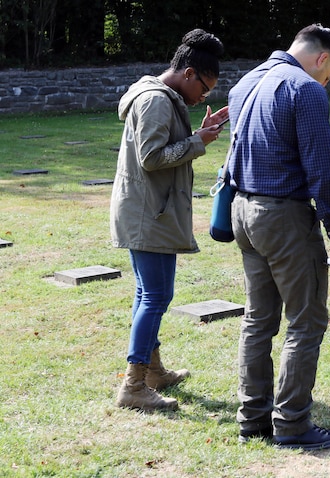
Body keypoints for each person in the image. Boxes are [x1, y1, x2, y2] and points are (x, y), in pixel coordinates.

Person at [226, 24, 330, 449]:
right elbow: (322, 166)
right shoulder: (305, 89)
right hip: (283, 217)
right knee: (306, 319)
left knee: (257, 318)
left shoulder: (245, 83)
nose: (328, 81)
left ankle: (253, 419)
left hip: (243, 211)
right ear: (322, 59)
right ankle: (293, 424)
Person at [110, 28, 229, 411]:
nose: (203, 97)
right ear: (190, 73)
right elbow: (152, 158)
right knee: (157, 295)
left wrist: (199, 133)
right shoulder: (157, 101)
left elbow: (159, 150)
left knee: (148, 294)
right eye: (205, 88)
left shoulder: (161, 97)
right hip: (149, 214)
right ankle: (133, 385)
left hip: (147, 210)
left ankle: (153, 372)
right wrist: (199, 143)